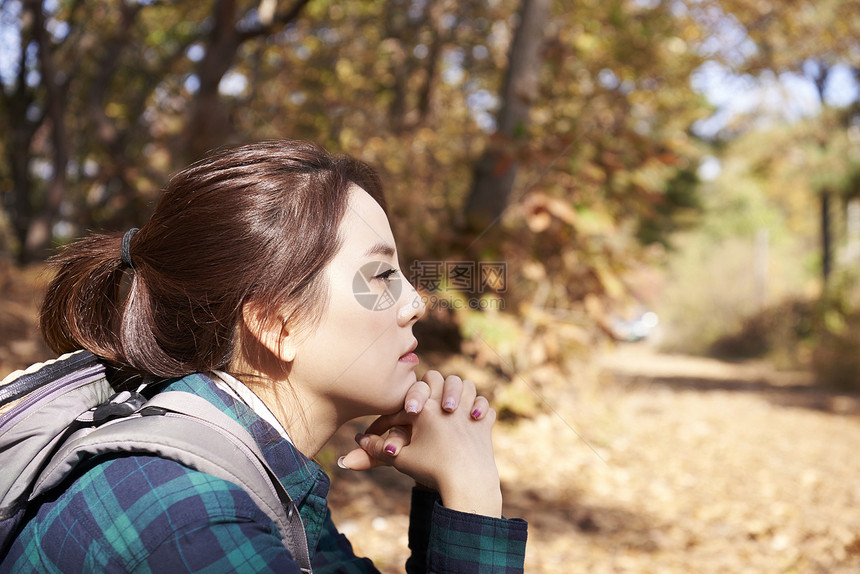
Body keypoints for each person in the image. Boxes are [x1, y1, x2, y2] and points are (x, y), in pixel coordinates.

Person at [1, 140, 527, 573]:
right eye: (381, 277)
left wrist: (448, 491)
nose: (415, 302)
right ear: (277, 324)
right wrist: (475, 498)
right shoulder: (190, 516)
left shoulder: (251, 474)